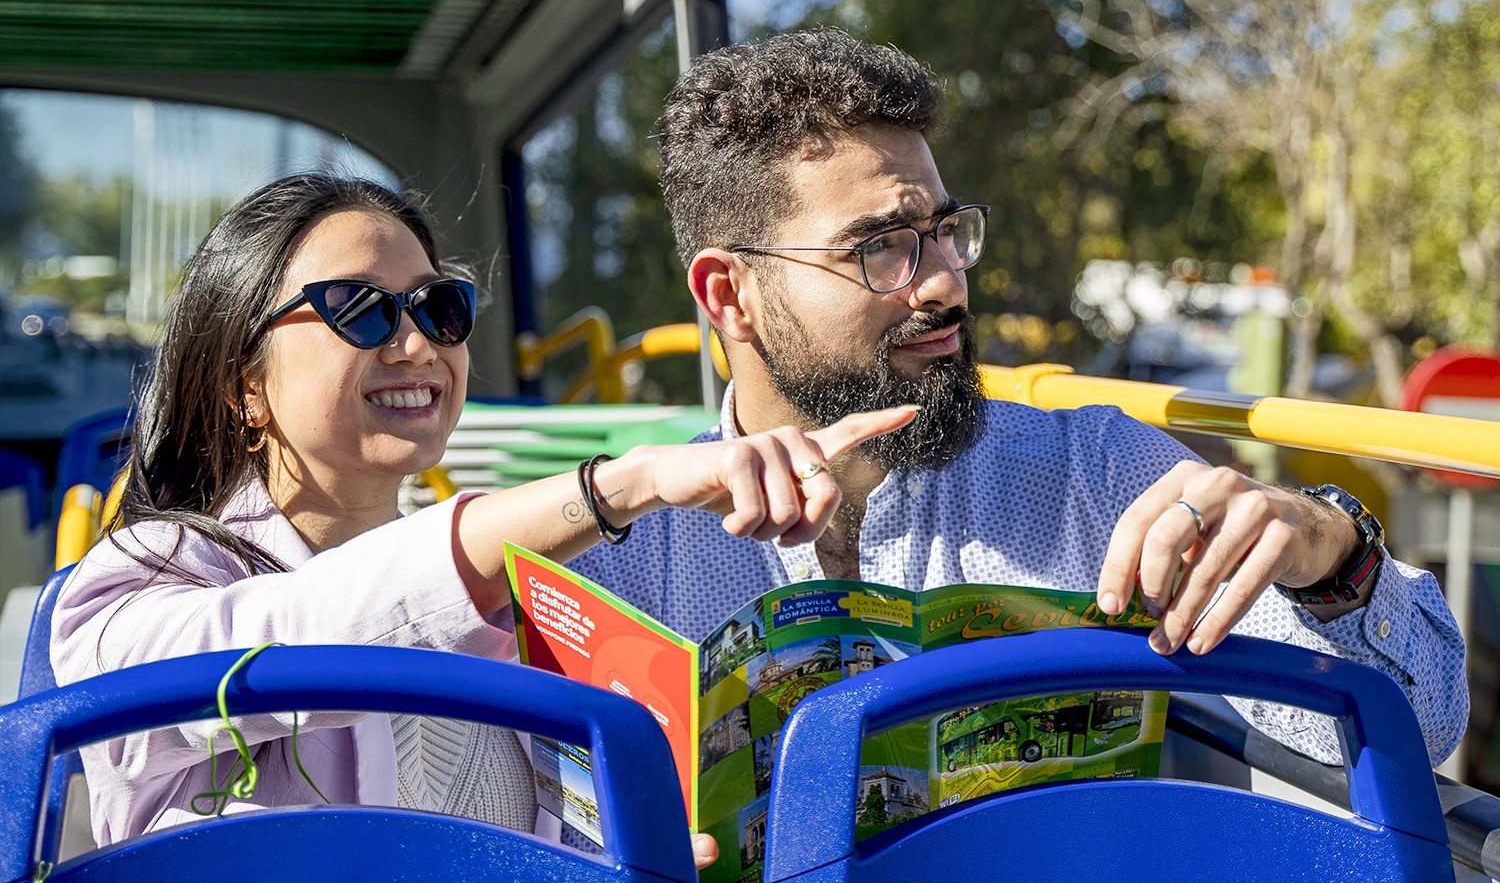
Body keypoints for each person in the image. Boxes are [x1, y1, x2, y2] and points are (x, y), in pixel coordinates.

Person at [568, 28, 1468, 769]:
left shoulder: (1101, 476)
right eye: (882, 247)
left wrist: (1329, 555)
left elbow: (1421, 732)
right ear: (730, 295)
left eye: (946, 233)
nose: (947, 283)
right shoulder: (621, 556)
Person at [51, 174, 909, 863]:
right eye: (361, 309)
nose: (418, 343)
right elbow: (276, 646)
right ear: (244, 381)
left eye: (440, 308)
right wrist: (618, 485)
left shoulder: (531, 610)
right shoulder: (137, 585)